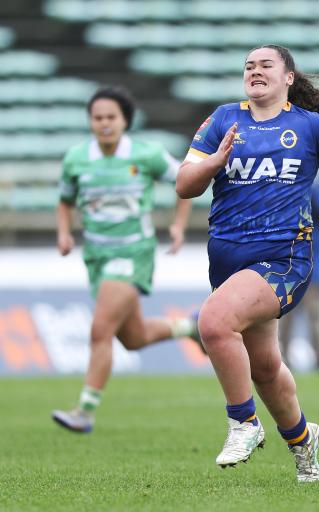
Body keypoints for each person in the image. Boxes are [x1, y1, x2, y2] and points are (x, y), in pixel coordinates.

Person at [176, 44, 319, 482]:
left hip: (285, 260)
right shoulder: (223, 119)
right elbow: (184, 185)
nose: (255, 71)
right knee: (264, 368)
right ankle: (303, 442)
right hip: (228, 260)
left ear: (289, 78)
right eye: (248, 65)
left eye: (266, 65)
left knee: (214, 323)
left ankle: (243, 423)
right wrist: (214, 164)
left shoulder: (311, 127)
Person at [52, 85, 202, 434]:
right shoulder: (76, 158)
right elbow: (65, 200)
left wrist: (178, 226)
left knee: (100, 329)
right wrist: (64, 232)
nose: (104, 124)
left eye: (111, 117)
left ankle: (84, 411)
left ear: (125, 121)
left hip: (133, 252)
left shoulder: (145, 154)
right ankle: (191, 328)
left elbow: (185, 180)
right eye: (97, 118)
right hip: (97, 256)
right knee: (131, 337)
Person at [279, 180, 319, 371]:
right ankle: (282, 358)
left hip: (314, 273)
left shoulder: (318, 195)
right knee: (287, 320)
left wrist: (305, 186)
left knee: (314, 320)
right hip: (291, 272)